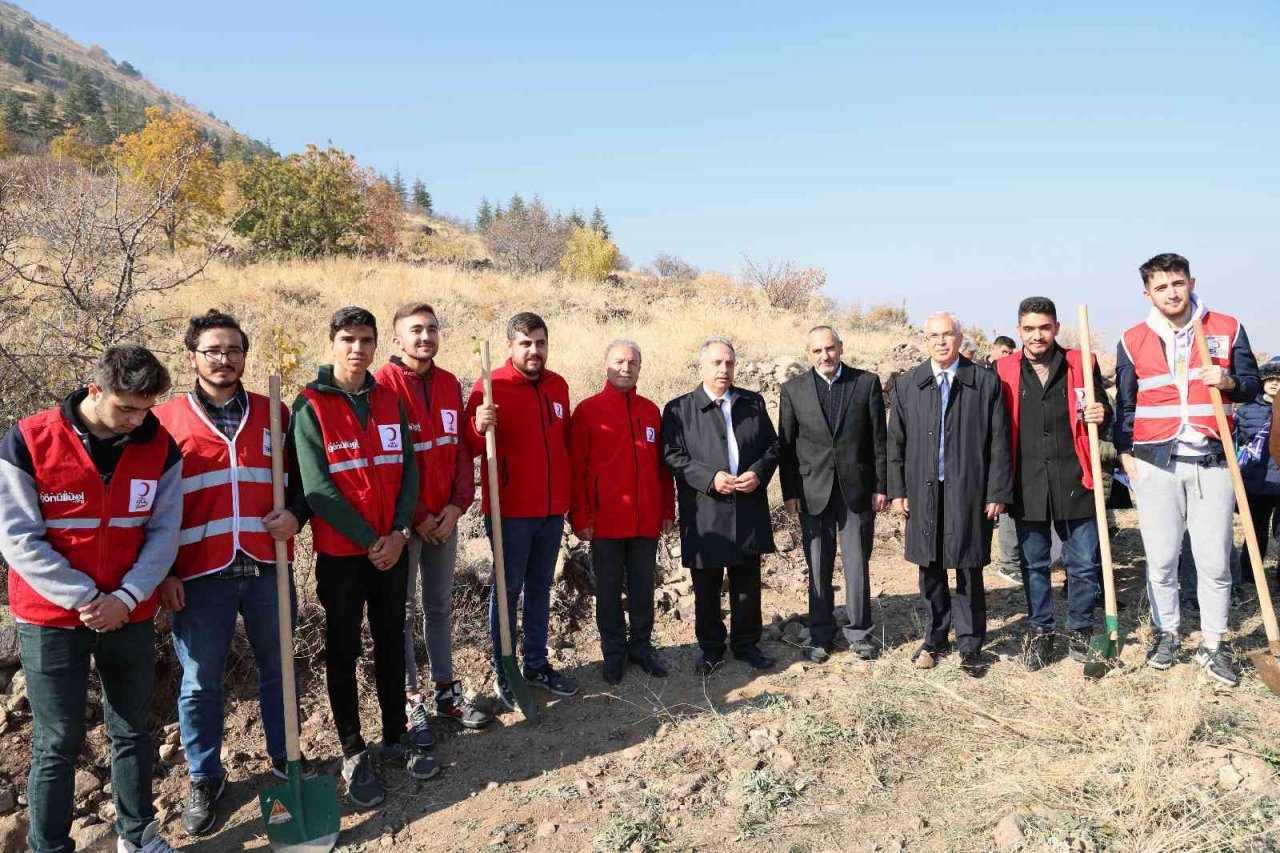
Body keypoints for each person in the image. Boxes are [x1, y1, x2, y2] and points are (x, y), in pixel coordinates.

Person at [0, 346, 182, 853]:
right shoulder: (29, 440)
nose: (137, 420)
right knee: (56, 742)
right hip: (52, 617)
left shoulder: (159, 446)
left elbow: (165, 532)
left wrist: (124, 597)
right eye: (126, 408)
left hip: (130, 611)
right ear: (95, 390)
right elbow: (18, 539)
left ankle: (137, 835)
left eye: (146, 409)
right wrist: (87, 597)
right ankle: (49, 846)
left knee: (132, 729)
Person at [153, 311, 312, 836]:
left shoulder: (275, 413)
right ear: (192, 356)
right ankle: (205, 776)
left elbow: (302, 480)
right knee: (200, 683)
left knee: (278, 672)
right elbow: (153, 506)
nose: (224, 360)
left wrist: (296, 515)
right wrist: (165, 572)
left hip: (266, 566)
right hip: (200, 574)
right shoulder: (165, 421)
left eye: (233, 350)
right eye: (212, 350)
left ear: (246, 355)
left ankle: (285, 759)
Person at [291, 306, 435, 808]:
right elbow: (316, 488)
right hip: (341, 554)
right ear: (332, 343)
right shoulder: (309, 406)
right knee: (344, 650)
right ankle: (354, 748)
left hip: (391, 549)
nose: (358, 348)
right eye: (348, 339)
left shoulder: (390, 400)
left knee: (393, 639)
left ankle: (395, 735)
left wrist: (396, 532)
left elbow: (409, 471)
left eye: (367, 340)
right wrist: (370, 537)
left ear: (377, 346)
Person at [1114, 253, 1259, 688]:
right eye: (1161, 287)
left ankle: (1213, 645)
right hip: (1157, 463)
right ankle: (1167, 634)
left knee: (1214, 561)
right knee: (1160, 559)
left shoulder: (1226, 328)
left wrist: (1229, 381)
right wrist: (1126, 453)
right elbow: (1125, 404)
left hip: (1212, 459)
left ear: (1191, 282)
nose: (1172, 293)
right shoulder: (1132, 338)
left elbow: (1251, 386)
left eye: (1178, 283)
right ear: (1148, 293)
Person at [374, 304, 491, 734]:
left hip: (446, 518)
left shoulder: (447, 383)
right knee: (401, 612)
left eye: (432, 329)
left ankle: (447, 693)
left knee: (439, 606)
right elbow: (389, 462)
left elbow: (459, 447)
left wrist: (458, 506)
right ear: (397, 339)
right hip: (405, 525)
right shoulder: (382, 385)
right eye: (416, 331)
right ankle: (410, 700)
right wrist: (417, 517)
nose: (425, 337)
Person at [887, 312, 1012, 676]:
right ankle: (935, 638)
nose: (941, 342)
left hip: (969, 491)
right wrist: (898, 490)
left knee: (969, 567)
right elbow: (896, 442)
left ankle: (971, 645)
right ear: (925, 340)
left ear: (960, 338)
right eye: (933, 336)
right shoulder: (910, 384)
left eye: (948, 335)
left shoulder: (985, 383)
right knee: (930, 567)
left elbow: (1000, 443)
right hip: (923, 491)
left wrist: (996, 490)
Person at [465, 312, 579, 710]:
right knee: (508, 589)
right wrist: (478, 426)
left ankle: (536, 663)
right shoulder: (490, 386)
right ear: (511, 345)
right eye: (526, 343)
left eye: (541, 342)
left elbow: (564, 443)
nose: (534, 350)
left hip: (551, 509)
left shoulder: (558, 386)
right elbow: (470, 448)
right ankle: (505, 668)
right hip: (510, 510)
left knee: (541, 587)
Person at [994, 297, 1111, 670]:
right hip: (1026, 482)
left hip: (1076, 478)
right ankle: (1041, 632)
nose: (1037, 335)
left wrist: (1100, 412)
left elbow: (1104, 411)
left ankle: (1079, 629)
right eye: (1029, 328)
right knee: (1034, 564)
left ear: (1057, 327)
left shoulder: (1081, 362)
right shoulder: (1003, 370)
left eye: (1044, 327)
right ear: (1019, 331)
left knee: (1083, 564)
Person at [663, 337, 780, 675]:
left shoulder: (752, 402)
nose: (723, 370)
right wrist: (709, 477)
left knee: (747, 581)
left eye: (729, 363)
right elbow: (672, 456)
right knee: (707, 584)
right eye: (716, 363)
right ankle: (711, 648)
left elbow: (772, 447)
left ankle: (746, 644)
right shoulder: (679, 409)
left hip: (747, 505)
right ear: (701, 366)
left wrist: (758, 473)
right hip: (705, 510)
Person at [569, 339, 676, 685]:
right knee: (609, 591)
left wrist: (666, 509)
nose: (625, 368)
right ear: (606, 365)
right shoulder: (588, 411)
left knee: (644, 587)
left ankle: (642, 648)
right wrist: (581, 516)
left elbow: (663, 468)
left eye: (633, 362)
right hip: (605, 522)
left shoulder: (650, 411)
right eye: (619, 361)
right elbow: (577, 469)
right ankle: (614, 654)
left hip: (646, 520)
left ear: (640, 368)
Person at [778, 325, 887, 663]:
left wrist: (881, 487)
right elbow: (786, 447)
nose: (825, 356)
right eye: (817, 351)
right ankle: (821, 633)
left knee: (857, 564)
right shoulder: (793, 390)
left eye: (830, 348)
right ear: (808, 354)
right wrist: (790, 492)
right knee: (818, 565)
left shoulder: (865, 383)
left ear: (840, 347)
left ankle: (859, 633)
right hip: (812, 492)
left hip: (856, 490)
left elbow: (878, 441)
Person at [1235, 356, 1280, 589]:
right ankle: (1249, 572)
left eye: (1279, 379)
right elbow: (1239, 441)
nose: (1274, 383)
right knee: (1256, 530)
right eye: (1270, 378)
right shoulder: (1247, 410)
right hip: (1257, 479)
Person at [987, 335, 1023, 585]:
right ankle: (1010, 564)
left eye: (1011, 352)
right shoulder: (983, 377)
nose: (1008, 356)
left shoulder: (1012, 374)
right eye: (1004, 351)